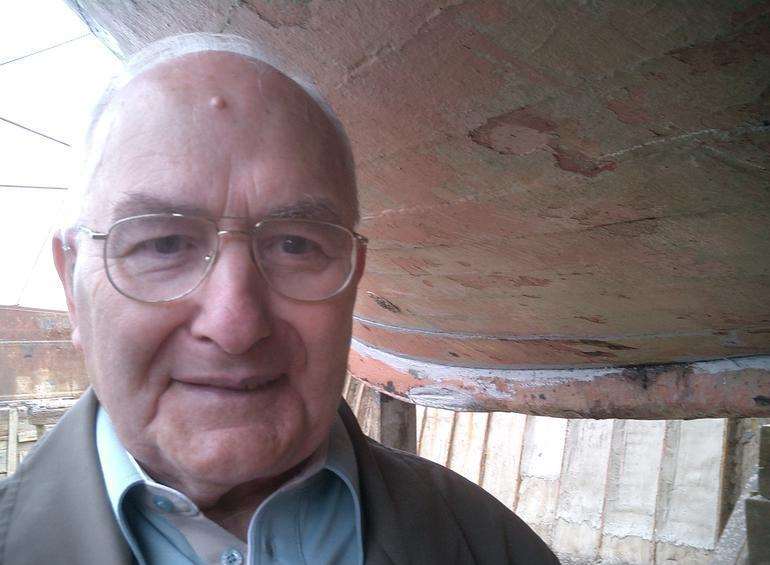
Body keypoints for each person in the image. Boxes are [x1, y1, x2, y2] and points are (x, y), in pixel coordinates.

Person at [0, 33, 558, 565]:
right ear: (73, 284)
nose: (236, 324)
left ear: (354, 278)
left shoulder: (491, 544)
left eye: (295, 245)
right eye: (163, 244)